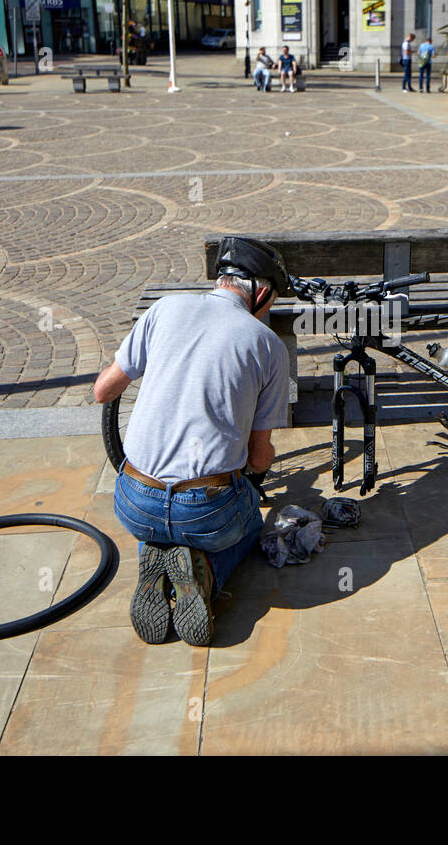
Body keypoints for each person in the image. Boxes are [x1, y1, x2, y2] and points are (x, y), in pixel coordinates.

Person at [92, 237, 290, 647]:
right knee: (251, 520)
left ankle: (158, 554)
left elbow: (103, 391)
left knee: (163, 524)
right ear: (262, 291)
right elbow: (257, 458)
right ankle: (206, 574)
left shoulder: (164, 308)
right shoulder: (267, 344)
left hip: (132, 501)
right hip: (205, 511)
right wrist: (263, 462)